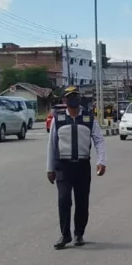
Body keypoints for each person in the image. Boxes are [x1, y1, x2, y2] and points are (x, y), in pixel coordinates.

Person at [46, 86, 107, 249]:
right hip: (63, 167)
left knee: (82, 202)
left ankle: (79, 233)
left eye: (76, 96)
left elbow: (99, 140)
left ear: (79, 99)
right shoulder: (57, 119)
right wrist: (49, 168)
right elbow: (51, 145)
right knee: (64, 200)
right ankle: (65, 235)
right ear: (64, 100)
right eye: (69, 97)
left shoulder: (89, 118)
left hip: (82, 166)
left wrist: (102, 161)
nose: (73, 99)